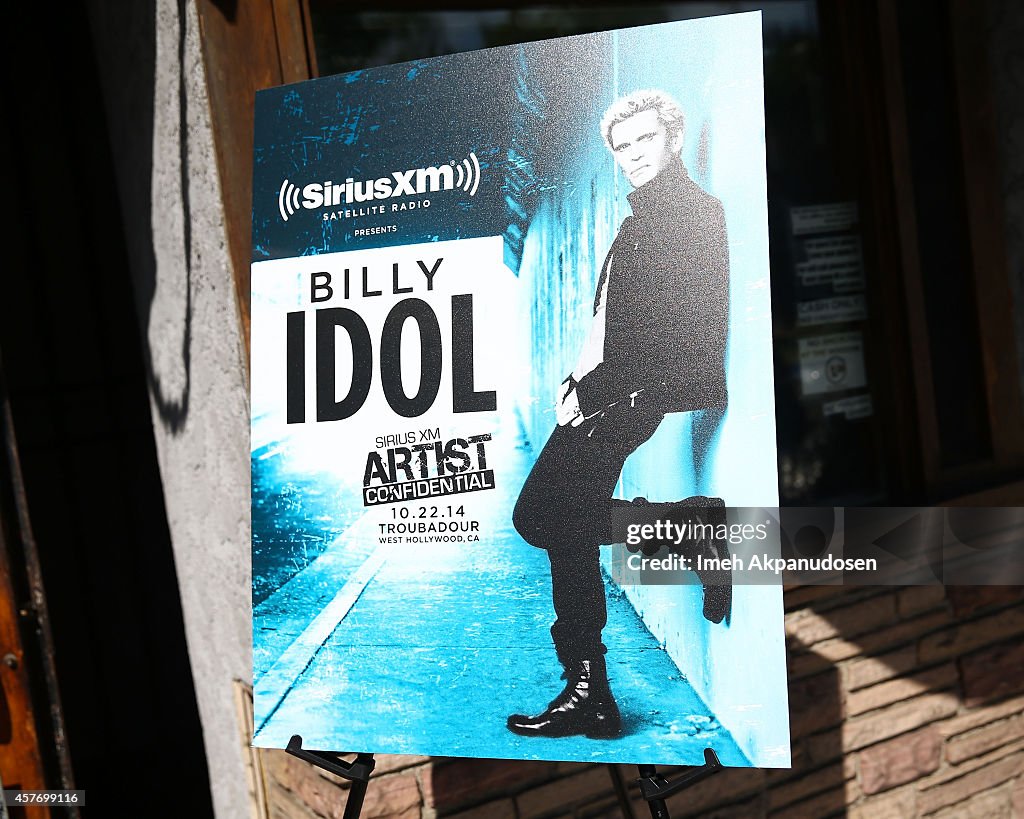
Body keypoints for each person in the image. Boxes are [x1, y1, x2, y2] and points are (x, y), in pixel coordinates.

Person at [507, 89, 731, 740]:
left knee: (544, 516)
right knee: (557, 518)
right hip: (609, 391)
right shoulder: (645, 219)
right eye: (622, 147)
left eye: (644, 141)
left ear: (675, 139)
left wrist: (595, 390)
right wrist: (577, 378)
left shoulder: (687, 215)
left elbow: (669, 334)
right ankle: (688, 528)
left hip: (628, 396)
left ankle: (589, 691)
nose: (633, 156)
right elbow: (614, 319)